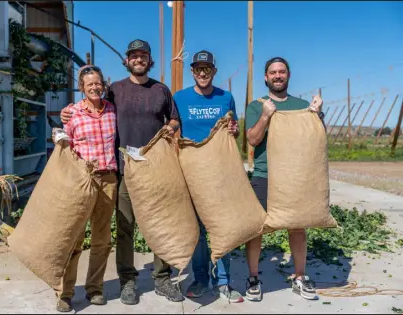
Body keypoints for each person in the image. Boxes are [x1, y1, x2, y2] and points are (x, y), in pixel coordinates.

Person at [60, 39, 184, 305]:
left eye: (143, 55)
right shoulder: (115, 90)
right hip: (125, 171)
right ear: (127, 61)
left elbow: (174, 119)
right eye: (134, 56)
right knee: (126, 227)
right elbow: (91, 107)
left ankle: (162, 279)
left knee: (160, 225)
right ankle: (128, 281)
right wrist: (67, 113)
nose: (138, 59)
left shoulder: (161, 90)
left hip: (155, 170)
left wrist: (170, 129)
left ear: (149, 61)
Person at [244, 57, 324, 302]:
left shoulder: (302, 105)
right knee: (256, 227)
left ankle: (300, 277)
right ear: (266, 78)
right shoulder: (257, 106)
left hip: (295, 175)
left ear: (288, 75)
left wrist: (317, 115)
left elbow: (317, 138)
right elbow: (253, 139)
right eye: (273, 72)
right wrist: (267, 116)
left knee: (297, 226)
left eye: (282, 72)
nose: (277, 76)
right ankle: (254, 278)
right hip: (264, 174)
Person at [172, 50, 243, 303]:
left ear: (214, 71)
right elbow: (172, 129)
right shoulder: (179, 98)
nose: (202, 73)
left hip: (220, 173)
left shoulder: (226, 98)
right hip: (192, 172)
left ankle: (223, 282)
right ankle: (201, 278)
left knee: (223, 227)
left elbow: (232, 130)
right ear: (192, 71)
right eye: (198, 69)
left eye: (207, 69)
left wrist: (234, 130)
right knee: (199, 230)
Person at [55, 65, 118, 312]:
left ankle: (95, 289)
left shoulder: (113, 110)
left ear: (104, 84)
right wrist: (56, 135)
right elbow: (63, 141)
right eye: (89, 84)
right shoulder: (72, 113)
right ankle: (66, 292)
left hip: (108, 180)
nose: (94, 87)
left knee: (102, 239)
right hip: (82, 182)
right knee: (74, 238)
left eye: (98, 83)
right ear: (82, 87)